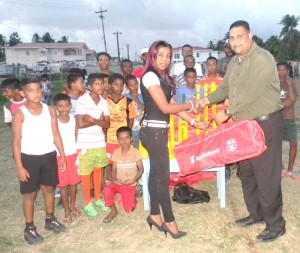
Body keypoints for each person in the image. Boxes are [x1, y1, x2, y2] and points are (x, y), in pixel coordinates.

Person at [199, 20, 285, 243]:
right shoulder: (234, 63)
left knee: (266, 175)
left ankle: (275, 224)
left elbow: (249, 93)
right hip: (244, 126)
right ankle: (256, 214)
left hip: (265, 123)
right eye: (231, 37)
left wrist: (225, 112)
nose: (235, 41)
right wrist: (206, 100)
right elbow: (227, 88)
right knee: (247, 173)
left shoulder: (263, 59)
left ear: (250, 36)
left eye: (240, 36)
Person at [140, 40, 207, 239]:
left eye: (168, 55)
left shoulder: (164, 77)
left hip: (157, 131)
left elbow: (172, 103)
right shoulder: (150, 76)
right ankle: (169, 221)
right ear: (152, 56)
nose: (164, 59)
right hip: (153, 132)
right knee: (162, 178)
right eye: (160, 55)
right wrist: (191, 105)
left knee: (155, 175)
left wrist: (194, 122)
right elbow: (165, 109)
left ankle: (154, 215)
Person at [12, 78, 66, 244]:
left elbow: (56, 134)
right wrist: (20, 166)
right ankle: (29, 228)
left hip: (48, 155)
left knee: (48, 188)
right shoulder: (20, 114)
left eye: (38, 89)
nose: (36, 93)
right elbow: (16, 142)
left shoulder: (50, 110)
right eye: (31, 90)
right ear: (22, 93)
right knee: (30, 194)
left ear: (42, 90)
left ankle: (50, 219)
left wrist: (62, 155)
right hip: (29, 157)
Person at [76, 73, 110, 217]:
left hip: (99, 142)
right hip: (85, 143)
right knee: (85, 173)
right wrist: (98, 121)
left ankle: (97, 198)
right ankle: (87, 202)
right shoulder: (82, 100)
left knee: (98, 171)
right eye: (97, 84)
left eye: (102, 83)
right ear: (89, 86)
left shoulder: (104, 102)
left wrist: (93, 120)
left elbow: (107, 124)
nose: (101, 86)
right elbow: (80, 123)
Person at [102, 126, 144, 223]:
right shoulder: (116, 152)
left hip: (129, 183)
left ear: (131, 138)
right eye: (121, 139)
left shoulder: (135, 152)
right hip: (118, 182)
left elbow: (141, 169)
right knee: (106, 191)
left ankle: (134, 194)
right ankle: (113, 211)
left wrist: (133, 180)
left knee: (129, 210)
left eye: (127, 138)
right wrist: (114, 180)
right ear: (118, 140)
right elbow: (113, 169)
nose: (124, 141)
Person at [53, 93, 81, 223]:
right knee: (63, 185)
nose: (64, 109)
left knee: (74, 182)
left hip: (73, 154)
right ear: (55, 107)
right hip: (60, 157)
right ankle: (66, 210)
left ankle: (73, 206)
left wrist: (79, 148)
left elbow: (77, 135)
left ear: (70, 106)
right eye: (60, 106)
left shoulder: (73, 119)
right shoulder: (54, 121)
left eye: (66, 106)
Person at [277, 61, 298, 180]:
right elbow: (272, 102)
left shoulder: (292, 83)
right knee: (276, 144)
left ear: (288, 70)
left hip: (289, 118)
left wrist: (288, 83)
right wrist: (282, 105)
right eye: (279, 69)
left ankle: (290, 170)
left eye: (284, 69)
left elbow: (293, 99)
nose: (281, 72)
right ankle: (280, 167)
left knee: (293, 143)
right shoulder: (273, 84)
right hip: (276, 117)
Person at [124, 74, 144, 148]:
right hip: (131, 130)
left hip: (142, 129)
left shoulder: (142, 96)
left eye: (136, 84)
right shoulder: (125, 97)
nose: (134, 87)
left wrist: (136, 99)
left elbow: (145, 110)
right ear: (126, 87)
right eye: (131, 85)